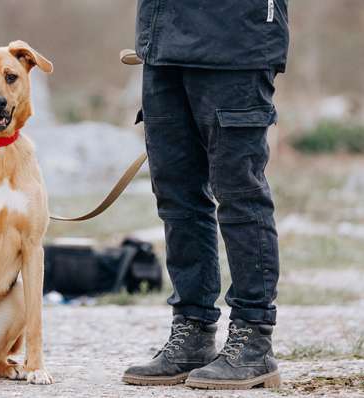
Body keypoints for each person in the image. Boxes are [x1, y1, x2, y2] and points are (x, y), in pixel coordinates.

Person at [121, 0, 289, 390]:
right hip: (162, 45)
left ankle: (254, 337)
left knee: (239, 194)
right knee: (176, 198)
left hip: (236, 44)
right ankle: (192, 330)